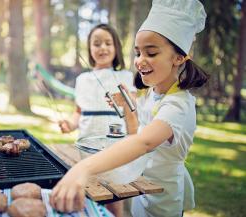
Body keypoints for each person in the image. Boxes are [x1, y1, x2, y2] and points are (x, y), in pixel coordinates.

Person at [50, 0, 209, 217]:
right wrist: (127, 110)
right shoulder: (152, 95)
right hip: (140, 189)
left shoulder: (178, 105)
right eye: (138, 53)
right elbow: (136, 134)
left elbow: (144, 143)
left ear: (179, 58)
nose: (140, 61)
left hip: (163, 200)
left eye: (151, 53)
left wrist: (82, 168)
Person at [58, 23, 136, 217]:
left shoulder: (125, 77)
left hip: (115, 151)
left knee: (114, 201)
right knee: (87, 197)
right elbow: (78, 112)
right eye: (97, 43)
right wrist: (70, 125)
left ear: (116, 47)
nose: (102, 47)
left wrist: (127, 103)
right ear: (90, 49)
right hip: (85, 151)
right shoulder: (82, 80)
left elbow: (133, 117)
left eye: (108, 43)